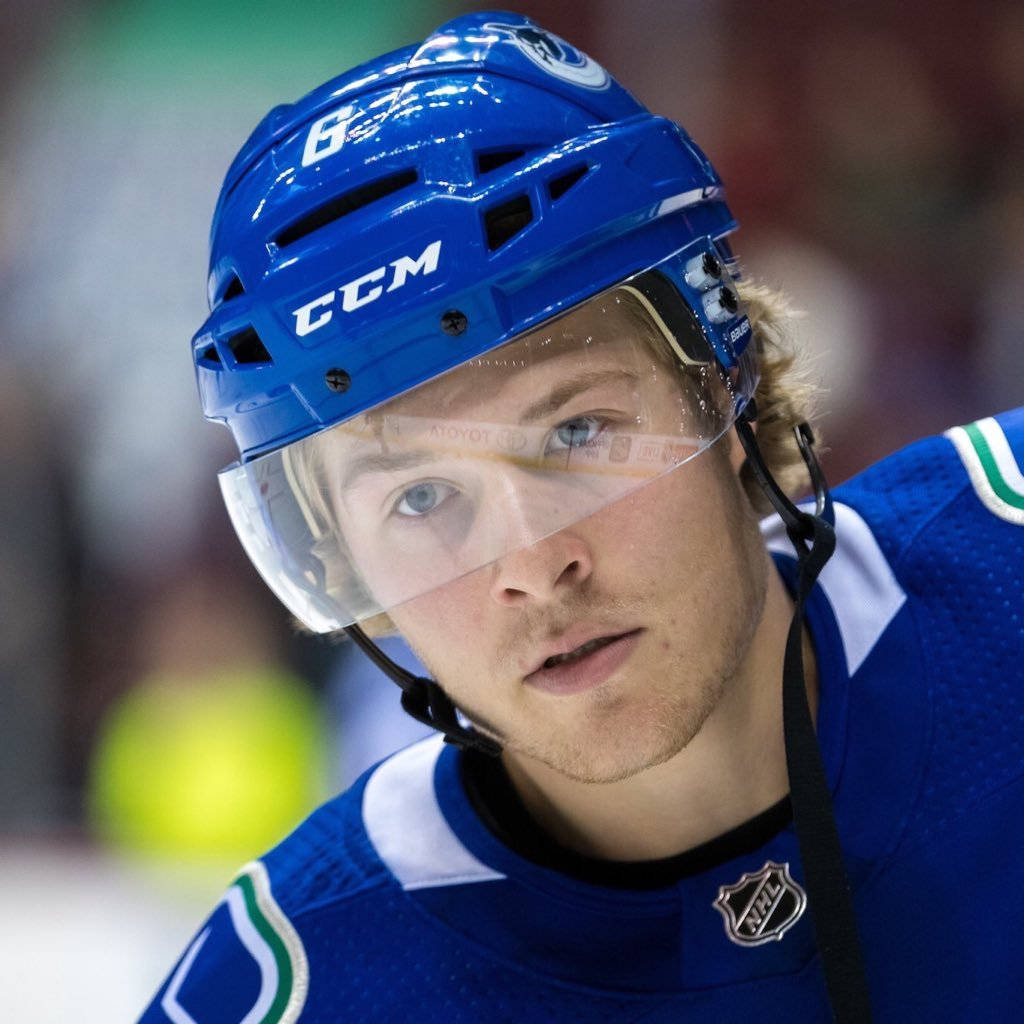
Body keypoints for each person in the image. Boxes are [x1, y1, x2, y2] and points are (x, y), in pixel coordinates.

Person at [138, 12, 1024, 1023]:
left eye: (577, 430)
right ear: (341, 558)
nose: (533, 561)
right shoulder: (293, 993)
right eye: (420, 497)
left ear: (722, 380)